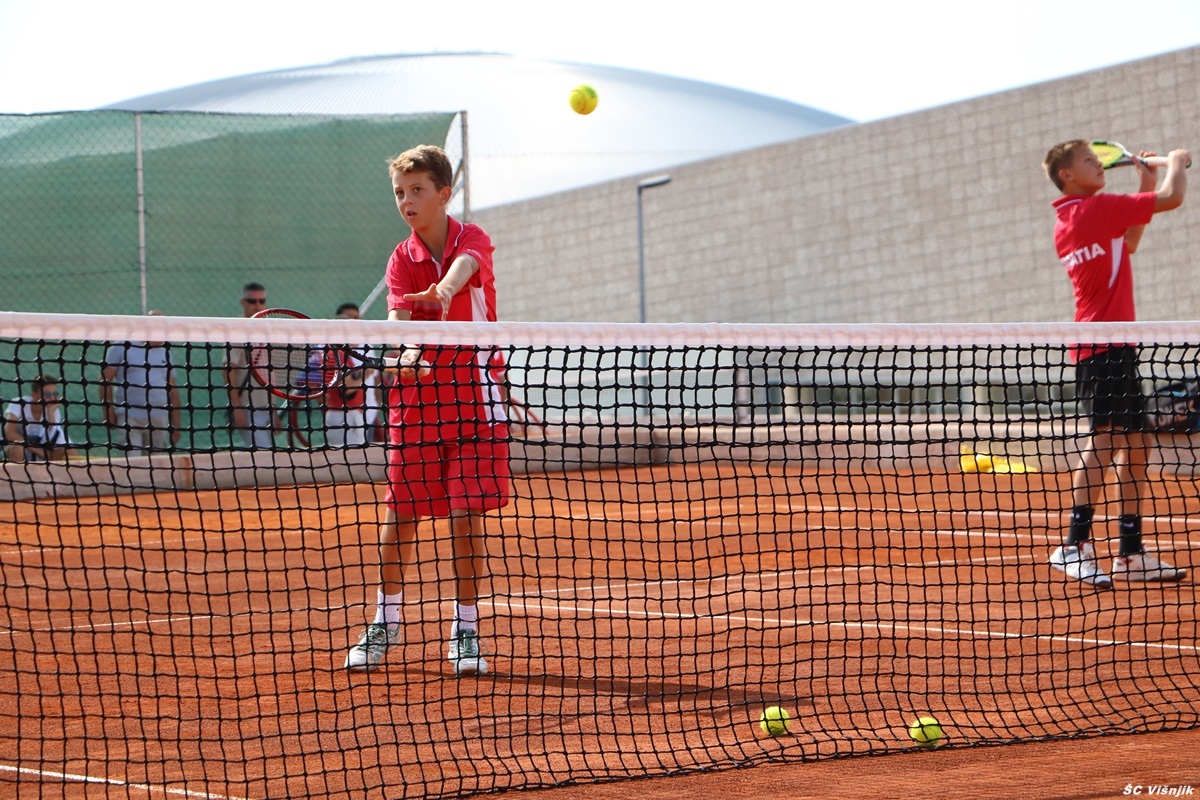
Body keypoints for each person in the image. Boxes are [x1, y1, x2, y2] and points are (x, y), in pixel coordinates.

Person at [345, 144, 510, 675]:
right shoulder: (400, 258)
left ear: (444, 193)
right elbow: (397, 323)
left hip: (473, 396)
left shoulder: (472, 239)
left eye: (417, 190)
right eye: (399, 192)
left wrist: (443, 289)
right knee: (403, 512)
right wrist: (405, 356)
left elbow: (464, 270)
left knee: (465, 514)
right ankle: (385, 621)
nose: (406, 201)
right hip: (417, 403)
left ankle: (465, 630)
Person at [1042, 140, 1191, 587]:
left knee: (1139, 445)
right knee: (1106, 442)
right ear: (1067, 174)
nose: (1099, 163)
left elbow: (1128, 244)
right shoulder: (1090, 211)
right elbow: (1173, 198)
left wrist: (1145, 178)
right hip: (1099, 346)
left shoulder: (1075, 217)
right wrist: (1178, 162)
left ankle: (1129, 554)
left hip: (1118, 346)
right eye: (1089, 160)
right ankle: (1073, 545)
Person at [99, 310, 181, 452]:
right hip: (129, 417)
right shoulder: (122, 346)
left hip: (159, 419)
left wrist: (176, 425)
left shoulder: (165, 352)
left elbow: (172, 390)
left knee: (159, 467)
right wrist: (108, 413)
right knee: (132, 466)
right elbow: (104, 381)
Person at [223, 282, 278, 450]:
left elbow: (268, 375)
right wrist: (237, 408)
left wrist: (273, 410)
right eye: (252, 301)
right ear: (243, 302)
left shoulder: (268, 331)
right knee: (264, 460)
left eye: (261, 301)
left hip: (266, 408)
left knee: (269, 459)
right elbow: (227, 370)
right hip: (248, 409)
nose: (257, 305)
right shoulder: (237, 331)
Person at [324, 303, 372, 448]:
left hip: (344, 416)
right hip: (344, 417)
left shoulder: (340, 354)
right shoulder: (336, 354)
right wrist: (366, 373)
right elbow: (346, 388)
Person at [3, 375, 77, 462]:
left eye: (55, 394)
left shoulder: (52, 410)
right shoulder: (18, 404)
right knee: (18, 448)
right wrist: (39, 451)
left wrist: (50, 413)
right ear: (34, 395)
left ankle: (49, 474)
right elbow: (9, 434)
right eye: (48, 394)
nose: (52, 398)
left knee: (68, 451)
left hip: (40, 453)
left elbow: (53, 440)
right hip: (13, 452)